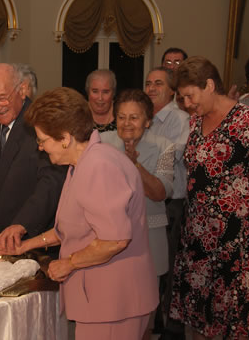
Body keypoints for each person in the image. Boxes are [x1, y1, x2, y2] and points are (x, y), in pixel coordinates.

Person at [0, 86, 159, 340]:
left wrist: (68, 263)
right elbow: (70, 228)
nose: (40, 148)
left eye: (42, 140)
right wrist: (24, 246)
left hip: (114, 300)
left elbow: (114, 240)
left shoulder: (99, 166)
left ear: (65, 137)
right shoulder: (81, 163)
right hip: (103, 299)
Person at [170, 56, 249, 340]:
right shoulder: (195, 122)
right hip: (196, 233)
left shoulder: (245, 119)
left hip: (234, 237)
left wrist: (248, 210)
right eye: (182, 99)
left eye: (190, 96)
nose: (188, 104)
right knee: (198, 317)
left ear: (208, 85)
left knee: (230, 318)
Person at [100, 89, 175, 340]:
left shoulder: (164, 146)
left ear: (147, 121)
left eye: (134, 117)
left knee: (144, 315)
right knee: (111, 311)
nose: (127, 123)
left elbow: (161, 192)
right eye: (121, 117)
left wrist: (135, 165)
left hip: (148, 238)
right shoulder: (100, 143)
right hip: (107, 238)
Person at [0, 63, 66, 248]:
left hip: (33, 237)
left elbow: (52, 182)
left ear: (22, 90)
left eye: (1, 99)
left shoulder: (40, 124)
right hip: (2, 233)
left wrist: (22, 223)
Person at [144, 66, 189, 340]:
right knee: (151, 263)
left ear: (172, 89)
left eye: (158, 83)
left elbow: (171, 156)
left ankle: (172, 327)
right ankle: (155, 321)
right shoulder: (145, 116)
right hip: (147, 199)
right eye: (148, 83)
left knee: (168, 264)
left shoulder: (178, 118)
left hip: (171, 201)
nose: (151, 88)